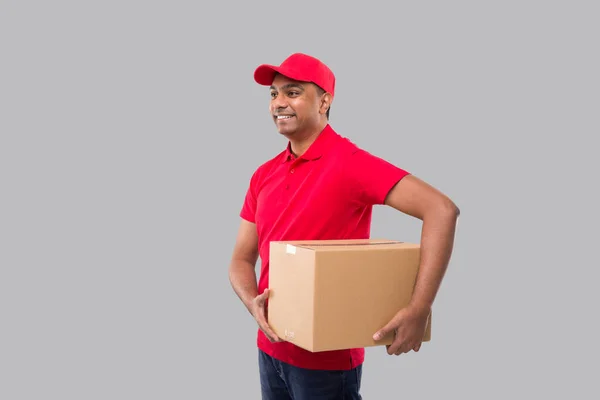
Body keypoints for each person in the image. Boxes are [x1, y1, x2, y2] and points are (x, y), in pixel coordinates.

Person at [228, 53, 460, 399]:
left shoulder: (349, 163)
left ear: (325, 101)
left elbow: (441, 210)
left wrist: (419, 308)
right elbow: (240, 260)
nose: (279, 103)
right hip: (271, 349)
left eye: (292, 92)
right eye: (273, 94)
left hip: (326, 362)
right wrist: (253, 304)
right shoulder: (264, 174)